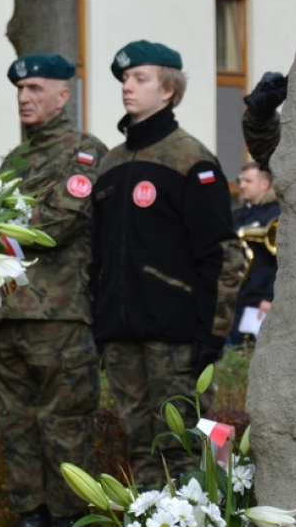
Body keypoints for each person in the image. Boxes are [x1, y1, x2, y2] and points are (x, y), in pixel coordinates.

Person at [90, 41, 242, 487]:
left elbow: (221, 256)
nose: (127, 87)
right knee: (139, 447)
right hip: (120, 338)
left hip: (175, 341)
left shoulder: (191, 160)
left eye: (140, 79)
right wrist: (99, 324)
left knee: (184, 448)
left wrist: (210, 338)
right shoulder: (112, 165)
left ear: (169, 90)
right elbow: (96, 257)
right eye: (124, 79)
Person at [0, 53, 106, 527]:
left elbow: (57, 222)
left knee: (64, 426)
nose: (24, 98)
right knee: (16, 425)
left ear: (63, 94)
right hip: (8, 315)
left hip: (60, 317)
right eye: (19, 90)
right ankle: (30, 524)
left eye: (35, 88)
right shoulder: (13, 160)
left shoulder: (85, 153)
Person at [229, 162, 279, 345]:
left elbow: (280, 263)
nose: (241, 185)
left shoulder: (277, 214)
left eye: (248, 181)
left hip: (259, 301)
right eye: (241, 181)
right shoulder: (235, 215)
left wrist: (269, 297)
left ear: (264, 185)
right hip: (234, 297)